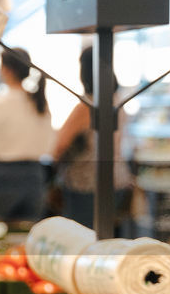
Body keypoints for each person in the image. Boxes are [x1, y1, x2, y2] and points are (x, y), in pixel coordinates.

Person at [0, 46, 55, 222]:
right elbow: (49, 145)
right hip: (34, 175)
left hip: (0, 174)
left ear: (7, 69)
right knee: (28, 237)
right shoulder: (40, 104)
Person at [52, 45, 134, 230]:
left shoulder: (87, 106)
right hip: (118, 179)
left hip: (86, 182)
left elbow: (59, 145)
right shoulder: (118, 101)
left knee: (81, 239)